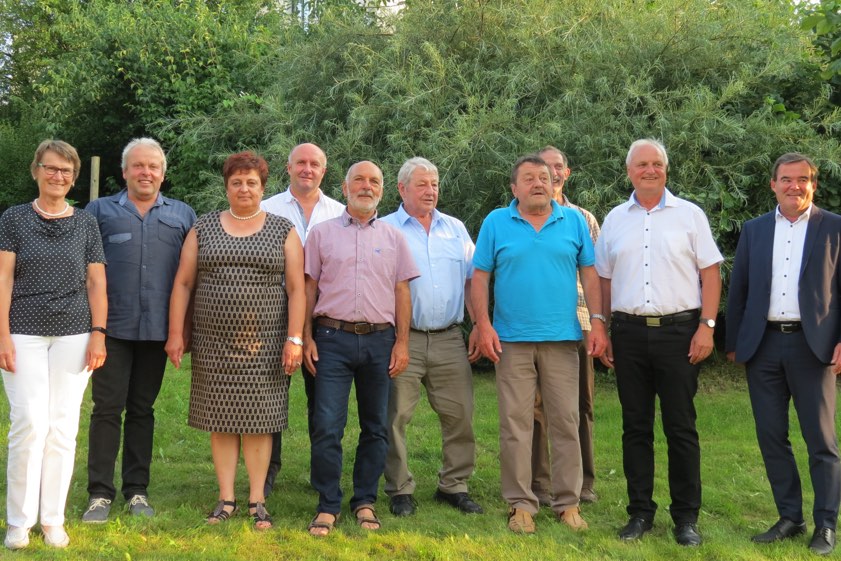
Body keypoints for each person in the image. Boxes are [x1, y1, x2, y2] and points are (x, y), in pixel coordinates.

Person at [166, 151, 305, 531]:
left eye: (252, 183)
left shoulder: (283, 230)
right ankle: (226, 497)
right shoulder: (203, 227)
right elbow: (183, 283)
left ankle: (257, 500)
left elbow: (297, 289)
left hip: (266, 344)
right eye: (237, 182)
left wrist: (294, 338)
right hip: (212, 344)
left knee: (259, 420)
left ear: (263, 188)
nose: (244, 189)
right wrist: (176, 333)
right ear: (226, 187)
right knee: (221, 419)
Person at [595, 138, 722, 546]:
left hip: (679, 333)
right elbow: (604, 279)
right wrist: (602, 328)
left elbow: (711, 273)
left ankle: (686, 518)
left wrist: (707, 326)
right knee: (635, 427)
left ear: (666, 170)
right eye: (642, 164)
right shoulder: (615, 219)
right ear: (629, 171)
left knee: (681, 427)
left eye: (657, 164)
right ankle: (640, 513)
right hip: (628, 334)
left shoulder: (690, 215)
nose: (650, 170)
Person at [472, 154, 607, 534]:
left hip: (563, 339)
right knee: (515, 423)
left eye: (544, 177)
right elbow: (479, 277)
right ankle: (521, 504)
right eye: (529, 178)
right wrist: (483, 324)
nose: (538, 183)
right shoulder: (496, 222)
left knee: (566, 421)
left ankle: (568, 503)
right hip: (511, 341)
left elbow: (590, 274)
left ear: (554, 183)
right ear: (514, 188)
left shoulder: (574, 221)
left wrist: (598, 322)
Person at [726, 153, 841, 556]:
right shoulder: (755, 229)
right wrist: (735, 343)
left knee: (821, 441)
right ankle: (790, 517)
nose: (795, 186)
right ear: (773, 184)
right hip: (764, 346)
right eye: (787, 179)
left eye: (803, 179)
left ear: (814, 185)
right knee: (771, 436)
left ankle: (826, 524)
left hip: (814, 347)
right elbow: (739, 288)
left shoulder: (835, 227)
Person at [82, 138, 196, 523]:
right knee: (106, 409)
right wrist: (92, 329)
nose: (146, 172)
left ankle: (136, 490)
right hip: (111, 329)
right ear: (124, 171)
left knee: (142, 410)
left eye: (153, 166)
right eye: (138, 166)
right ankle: (99, 493)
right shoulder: (99, 211)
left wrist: (183, 330)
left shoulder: (183, 215)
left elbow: (191, 277)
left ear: (163, 173)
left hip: (158, 331)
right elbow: (85, 271)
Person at [0, 140, 107, 550]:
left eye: (66, 170)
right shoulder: (13, 219)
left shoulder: (86, 223)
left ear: (74, 177)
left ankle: (52, 520)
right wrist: (2, 335)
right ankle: (18, 522)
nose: (57, 176)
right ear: (36, 171)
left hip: (74, 334)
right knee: (28, 423)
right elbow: (3, 279)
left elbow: (96, 281)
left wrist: (99, 332)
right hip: (22, 332)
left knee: (62, 427)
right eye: (50, 168)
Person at [303, 161, 419, 536]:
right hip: (331, 339)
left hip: (380, 342)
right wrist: (305, 337)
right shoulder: (321, 234)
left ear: (382, 190)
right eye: (359, 180)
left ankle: (365, 500)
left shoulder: (394, 237)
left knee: (376, 426)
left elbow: (402, 291)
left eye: (374, 181)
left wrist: (402, 342)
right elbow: (308, 289)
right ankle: (327, 504)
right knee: (326, 426)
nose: (366, 186)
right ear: (345, 187)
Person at [380, 157, 483, 517]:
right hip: (401, 338)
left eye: (435, 184)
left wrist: (479, 324)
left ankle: (454, 485)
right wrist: (395, 339)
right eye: (422, 184)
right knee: (395, 416)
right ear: (402, 189)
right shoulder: (385, 229)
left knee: (460, 414)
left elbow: (471, 280)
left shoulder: (454, 228)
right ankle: (399, 488)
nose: (430, 191)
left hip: (449, 337)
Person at [260, 142, 343, 496]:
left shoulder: (340, 213)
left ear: (324, 170)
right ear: (289, 167)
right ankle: (266, 470)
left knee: (322, 401)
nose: (307, 169)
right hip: (271, 315)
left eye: (314, 164)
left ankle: (321, 473)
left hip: (325, 319)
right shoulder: (267, 209)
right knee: (268, 396)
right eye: (301, 163)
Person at [530, 146, 601, 506]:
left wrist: (601, 324)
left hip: (580, 322)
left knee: (581, 404)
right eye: (545, 167)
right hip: (536, 325)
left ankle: (583, 482)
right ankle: (539, 483)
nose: (552, 172)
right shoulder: (522, 216)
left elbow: (597, 275)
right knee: (536, 407)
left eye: (558, 166)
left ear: (566, 173)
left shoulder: (583, 219)